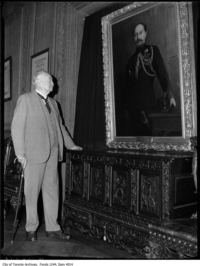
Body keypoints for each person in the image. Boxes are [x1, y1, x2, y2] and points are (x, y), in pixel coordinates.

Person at [11, 71, 82, 241]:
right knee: (32, 192)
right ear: (39, 82)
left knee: (52, 191)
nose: (53, 82)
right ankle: (31, 228)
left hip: (53, 154)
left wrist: (71, 145)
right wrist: (20, 153)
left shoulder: (54, 104)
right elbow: (17, 127)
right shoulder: (25, 99)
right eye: (50, 80)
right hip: (33, 155)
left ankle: (53, 227)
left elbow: (61, 127)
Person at [125, 23, 176, 135]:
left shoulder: (152, 51)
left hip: (149, 105)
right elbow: (128, 88)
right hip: (134, 109)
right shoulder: (130, 60)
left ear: (146, 34)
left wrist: (169, 94)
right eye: (135, 35)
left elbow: (162, 73)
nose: (138, 37)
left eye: (140, 33)